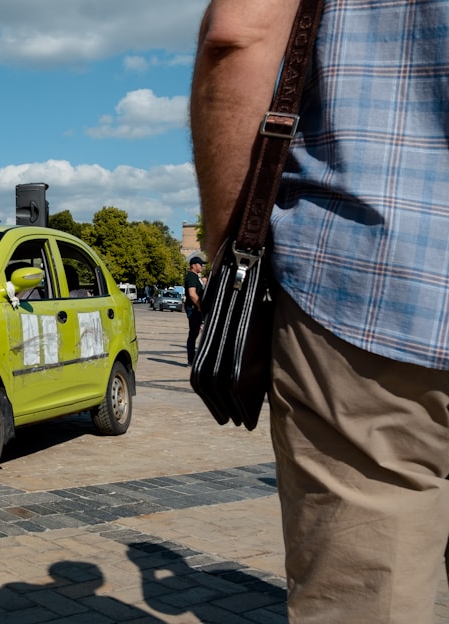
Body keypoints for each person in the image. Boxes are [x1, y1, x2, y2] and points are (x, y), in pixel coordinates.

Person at [191, 1, 449, 622]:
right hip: (372, 289)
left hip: (371, 283)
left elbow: (239, 34)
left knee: (368, 596)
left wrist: (229, 253)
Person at [183, 256, 205, 366]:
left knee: (195, 333)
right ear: (193, 265)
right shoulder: (191, 277)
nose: (202, 266)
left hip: (196, 309)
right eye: (200, 264)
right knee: (193, 333)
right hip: (193, 309)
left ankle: (193, 357)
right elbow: (192, 294)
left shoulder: (196, 277)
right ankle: (191, 359)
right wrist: (200, 306)